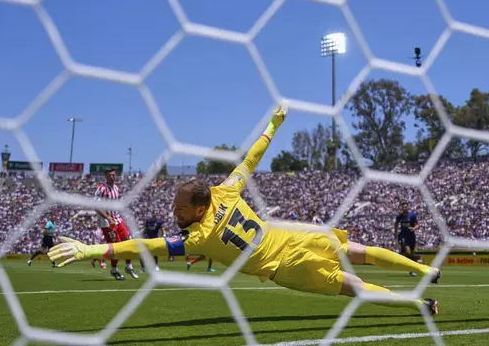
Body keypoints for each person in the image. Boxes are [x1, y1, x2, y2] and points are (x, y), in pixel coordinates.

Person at [48, 106, 440, 315]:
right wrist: (273, 123)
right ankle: (425, 270)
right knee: (359, 252)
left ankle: (418, 304)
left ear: (200, 207)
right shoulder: (228, 190)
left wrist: (90, 250)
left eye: (181, 209)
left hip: (284, 266)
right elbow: (252, 157)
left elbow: (144, 246)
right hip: (292, 235)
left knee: (352, 285)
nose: (176, 213)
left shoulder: (200, 236)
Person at [95, 169, 138, 281]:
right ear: (106, 176)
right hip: (107, 222)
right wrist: (108, 218)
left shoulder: (116, 188)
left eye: (114, 175)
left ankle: (129, 266)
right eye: (110, 175)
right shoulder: (102, 189)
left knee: (127, 241)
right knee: (117, 246)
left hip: (118, 219)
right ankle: (114, 270)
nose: (113, 177)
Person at [395, 202, 420, 277]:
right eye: (403, 207)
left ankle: (413, 269)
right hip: (403, 236)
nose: (404, 208)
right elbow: (396, 224)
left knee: (412, 253)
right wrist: (395, 233)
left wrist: (413, 228)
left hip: (411, 236)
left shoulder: (412, 216)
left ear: (408, 208)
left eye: (405, 207)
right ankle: (410, 266)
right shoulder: (399, 216)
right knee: (408, 252)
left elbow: (418, 224)